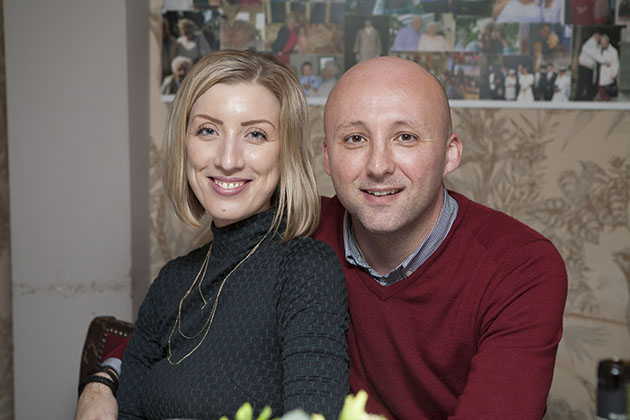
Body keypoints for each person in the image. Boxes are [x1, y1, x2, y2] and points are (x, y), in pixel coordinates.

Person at [75, 56, 567, 420]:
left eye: (406, 137)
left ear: (451, 154)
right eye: (355, 138)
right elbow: (184, 318)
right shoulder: (298, 228)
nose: (378, 166)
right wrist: (106, 378)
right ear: (325, 159)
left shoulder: (521, 267)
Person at [77, 50, 350, 420]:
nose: (227, 158)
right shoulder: (172, 281)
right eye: (208, 130)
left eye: (255, 134)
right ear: (185, 143)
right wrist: (103, 378)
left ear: (285, 154)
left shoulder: (304, 270)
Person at [575, 32, 604, 100]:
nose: (600, 39)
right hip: (585, 66)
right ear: (596, 35)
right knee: (582, 84)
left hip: (589, 67)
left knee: (589, 84)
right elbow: (596, 55)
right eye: (599, 37)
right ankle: (578, 99)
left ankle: (587, 98)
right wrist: (605, 61)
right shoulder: (590, 43)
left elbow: (598, 52)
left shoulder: (595, 43)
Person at [598, 34, 619, 101]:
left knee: (607, 92)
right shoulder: (599, 49)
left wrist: (614, 73)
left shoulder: (613, 51)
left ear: (606, 42)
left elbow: (616, 63)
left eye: (603, 43)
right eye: (601, 43)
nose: (602, 44)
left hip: (608, 73)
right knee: (601, 91)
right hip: (600, 73)